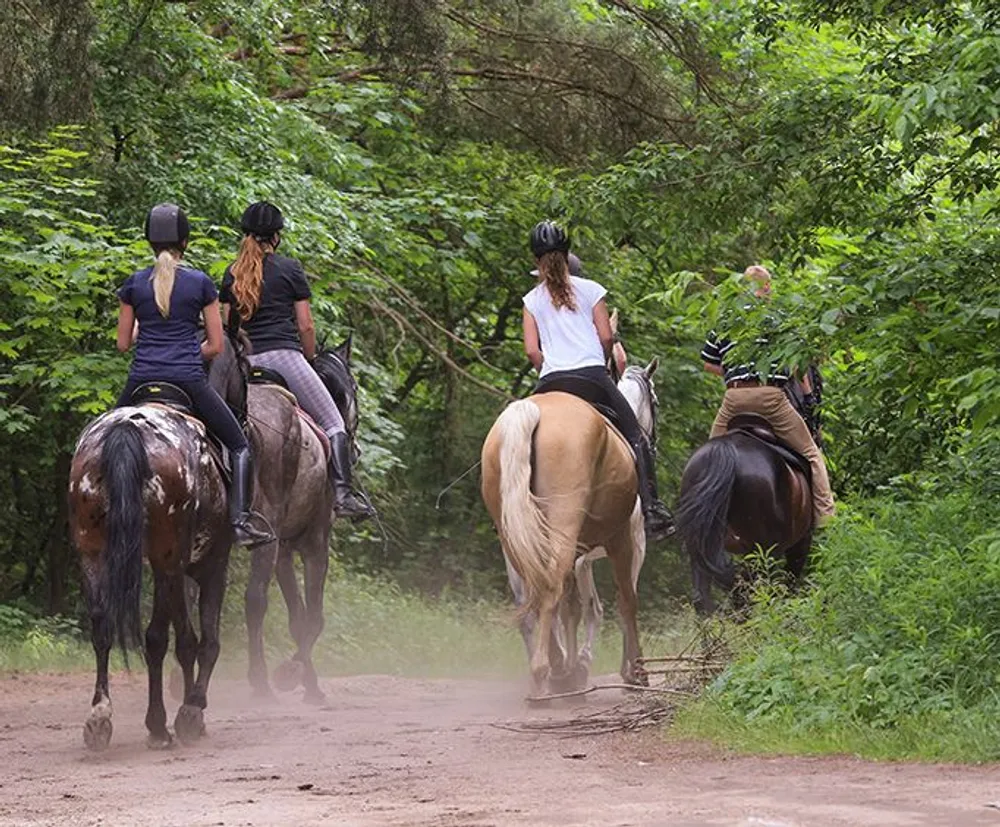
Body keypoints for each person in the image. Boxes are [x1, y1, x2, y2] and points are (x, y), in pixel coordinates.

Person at [115, 203, 273, 547]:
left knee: (104, 437)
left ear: (149, 243)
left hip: (140, 380)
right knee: (240, 444)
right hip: (187, 381)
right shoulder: (200, 283)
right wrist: (187, 352)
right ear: (185, 243)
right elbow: (216, 346)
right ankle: (241, 521)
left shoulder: (133, 284)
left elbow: (124, 344)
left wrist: (150, 333)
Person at [220, 201, 374, 521]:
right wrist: (309, 357)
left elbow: (228, 328)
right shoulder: (290, 268)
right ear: (276, 237)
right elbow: (306, 325)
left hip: (245, 363)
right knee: (333, 423)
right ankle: (343, 495)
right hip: (284, 357)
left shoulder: (232, 273)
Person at [522, 220, 674, 541]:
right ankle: (652, 510)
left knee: (521, 436)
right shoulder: (592, 290)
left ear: (537, 261)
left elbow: (532, 352)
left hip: (551, 381)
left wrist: (549, 371)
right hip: (592, 377)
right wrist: (597, 358)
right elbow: (606, 337)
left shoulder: (531, 300)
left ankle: (515, 504)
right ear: (566, 255)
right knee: (636, 436)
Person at [701, 264, 835, 525]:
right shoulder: (780, 318)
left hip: (734, 400)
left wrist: (732, 374)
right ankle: (826, 521)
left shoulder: (727, 319)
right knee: (810, 454)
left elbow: (708, 363)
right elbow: (798, 366)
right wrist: (807, 399)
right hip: (771, 399)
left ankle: (704, 519)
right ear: (768, 287)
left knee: (709, 457)